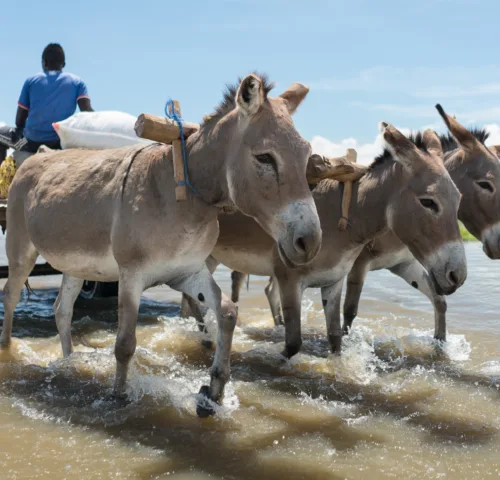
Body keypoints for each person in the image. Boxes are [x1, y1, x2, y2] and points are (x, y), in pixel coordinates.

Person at [10, 43, 94, 165]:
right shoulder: (77, 82)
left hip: (32, 142)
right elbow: (87, 113)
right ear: (63, 64)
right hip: (60, 141)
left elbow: (19, 121)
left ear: (44, 62)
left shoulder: (31, 81)